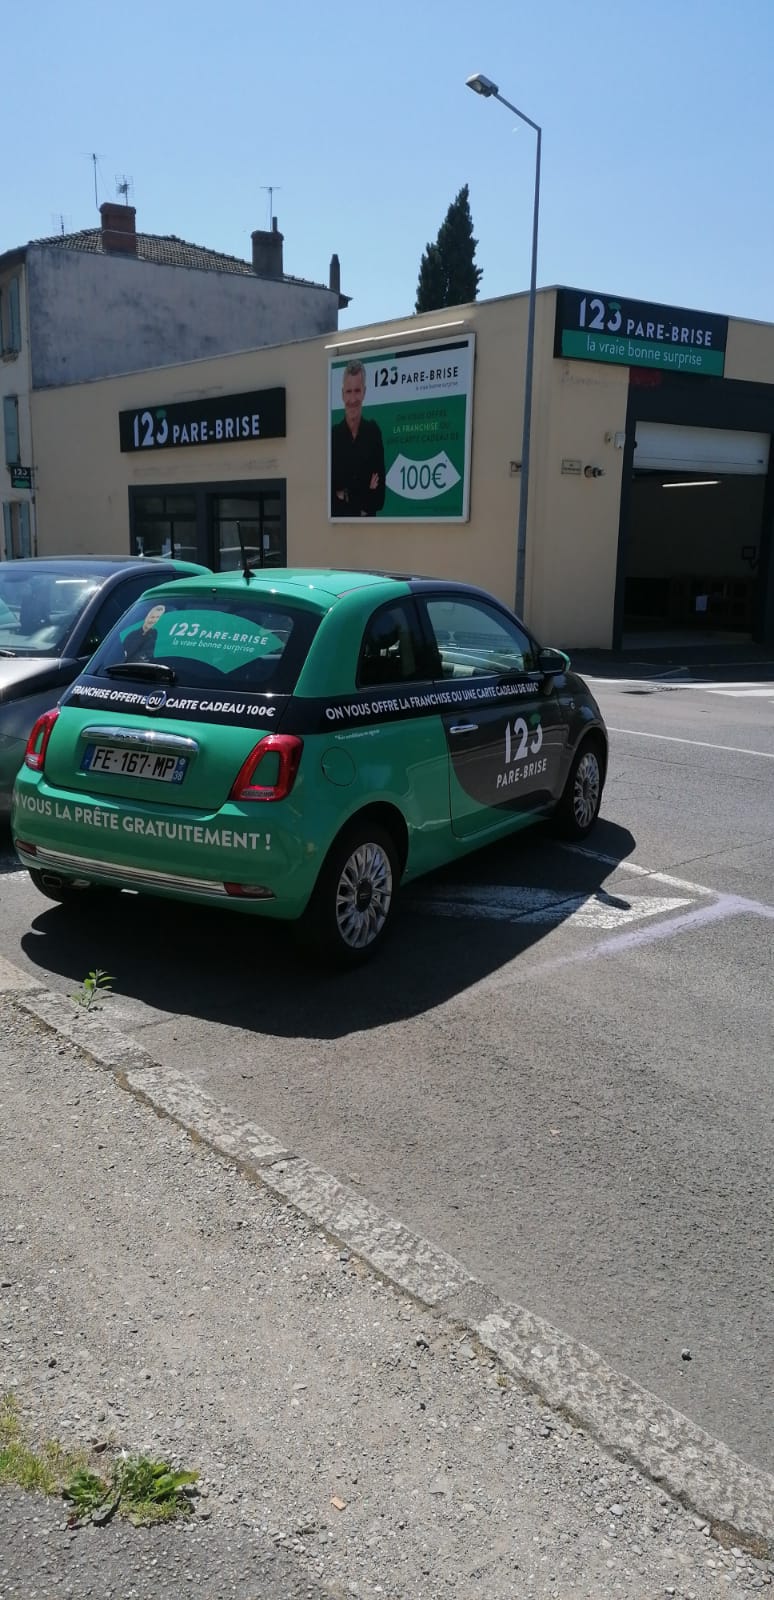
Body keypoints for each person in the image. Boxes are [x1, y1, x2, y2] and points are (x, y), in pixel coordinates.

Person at [330, 360, 385, 517]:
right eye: (348, 392)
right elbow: (330, 498)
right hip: (339, 533)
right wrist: (365, 494)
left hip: (370, 534)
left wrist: (345, 495)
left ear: (364, 392)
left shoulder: (373, 433)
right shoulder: (333, 437)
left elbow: (379, 500)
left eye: (357, 391)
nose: (353, 399)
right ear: (342, 394)